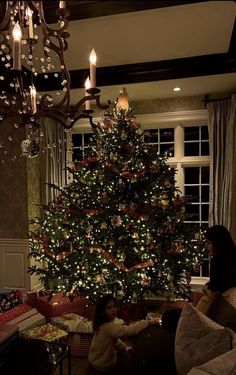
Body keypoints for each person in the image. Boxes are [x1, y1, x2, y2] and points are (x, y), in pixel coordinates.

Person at [87, 294, 159, 374]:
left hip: (96, 361)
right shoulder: (107, 326)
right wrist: (147, 322)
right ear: (102, 311)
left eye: (114, 306)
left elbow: (114, 340)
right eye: (109, 308)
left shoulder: (102, 324)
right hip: (102, 366)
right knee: (130, 365)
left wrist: (125, 347)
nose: (113, 310)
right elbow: (128, 331)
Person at [196, 224, 236, 313]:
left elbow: (213, 294)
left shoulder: (217, 262)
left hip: (219, 309)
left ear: (218, 243)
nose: (206, 246)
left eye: (209, 243)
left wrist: (206, 288)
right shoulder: (232, 258)